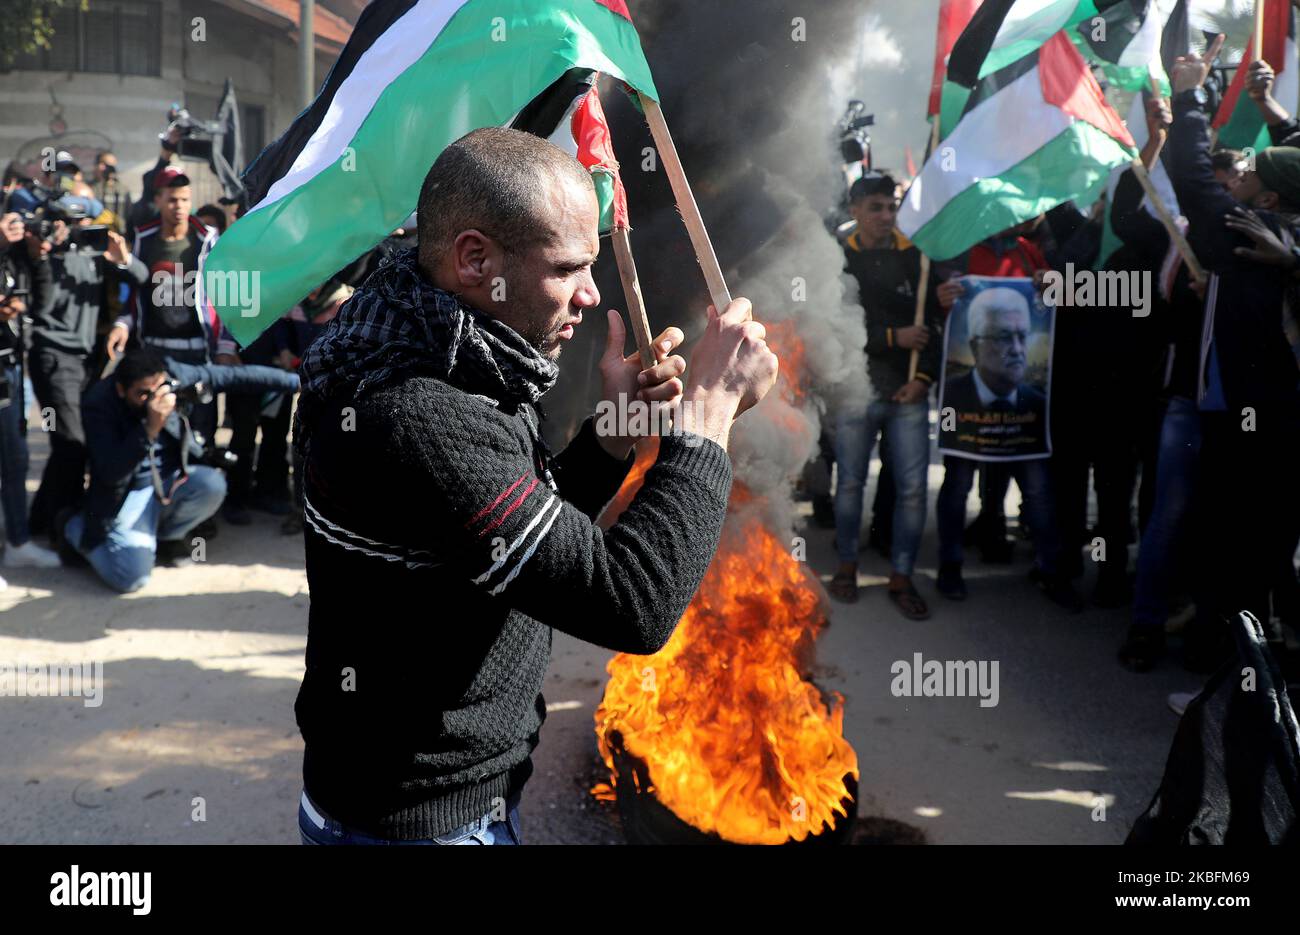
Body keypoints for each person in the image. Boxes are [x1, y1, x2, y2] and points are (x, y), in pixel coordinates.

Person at [292, 127, 777, 845]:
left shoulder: (444, 343)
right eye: (568, 268)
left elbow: (511, 542)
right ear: (475, 258)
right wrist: (705, 421)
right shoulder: (419, 410)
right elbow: (631, 604)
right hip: (420, 825)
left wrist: (613, 432)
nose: (589, 294)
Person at [60, 348, 301, 592]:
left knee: (212, 485)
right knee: (131, 578)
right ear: (121, 390)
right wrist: (149, 430)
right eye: (142, 394)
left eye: (158, 389)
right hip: (127, 494)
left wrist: (298, 381)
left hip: (169, 481)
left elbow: (234, 376)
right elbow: (111, 473)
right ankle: (75, 527)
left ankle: (167, 538)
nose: (154, 399)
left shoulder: (171, 376)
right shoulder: (98, 404)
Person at [829, 172, 941, 619]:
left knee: (913, 490)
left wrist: (925, 378)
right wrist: (895, 337)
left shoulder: (919, 259)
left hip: (908, 393)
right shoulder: (836, 260)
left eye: (891, 206)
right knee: (850, 483)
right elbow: (837, 328)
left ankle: (902, 576)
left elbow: (933, 325)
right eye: (875, 207)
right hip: (856, 391)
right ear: (854, 211)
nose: (885, 215)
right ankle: (846, 567)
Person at [935, 285, 1080, 610]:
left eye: (1022, 336)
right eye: (1002, 337)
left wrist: (1054, 285)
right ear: (974, 345)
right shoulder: (955, 396)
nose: (1016, 349)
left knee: (1039, 491)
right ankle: (950, 567)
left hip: (1026, 433)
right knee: (957, 487)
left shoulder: (1035, 401)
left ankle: (1051, 571)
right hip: (967, 430)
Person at [26, 200, 135, 540]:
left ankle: (45, 519)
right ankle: (58, 523)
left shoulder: (96, 253)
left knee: (73, 445)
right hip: (52, 359)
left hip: (88, 361)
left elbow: (140, 281)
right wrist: (44, 256)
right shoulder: (44, 255)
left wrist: (122, 258)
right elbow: (43, 305)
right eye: (65, 221)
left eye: (81, 221)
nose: (74, 228)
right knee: (70, 441)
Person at [0, 212, 61, 583]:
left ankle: (18, 544)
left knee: (16, 458)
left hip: (9, 367)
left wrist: (37, 257)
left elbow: (43, 302)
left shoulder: (17, 256)